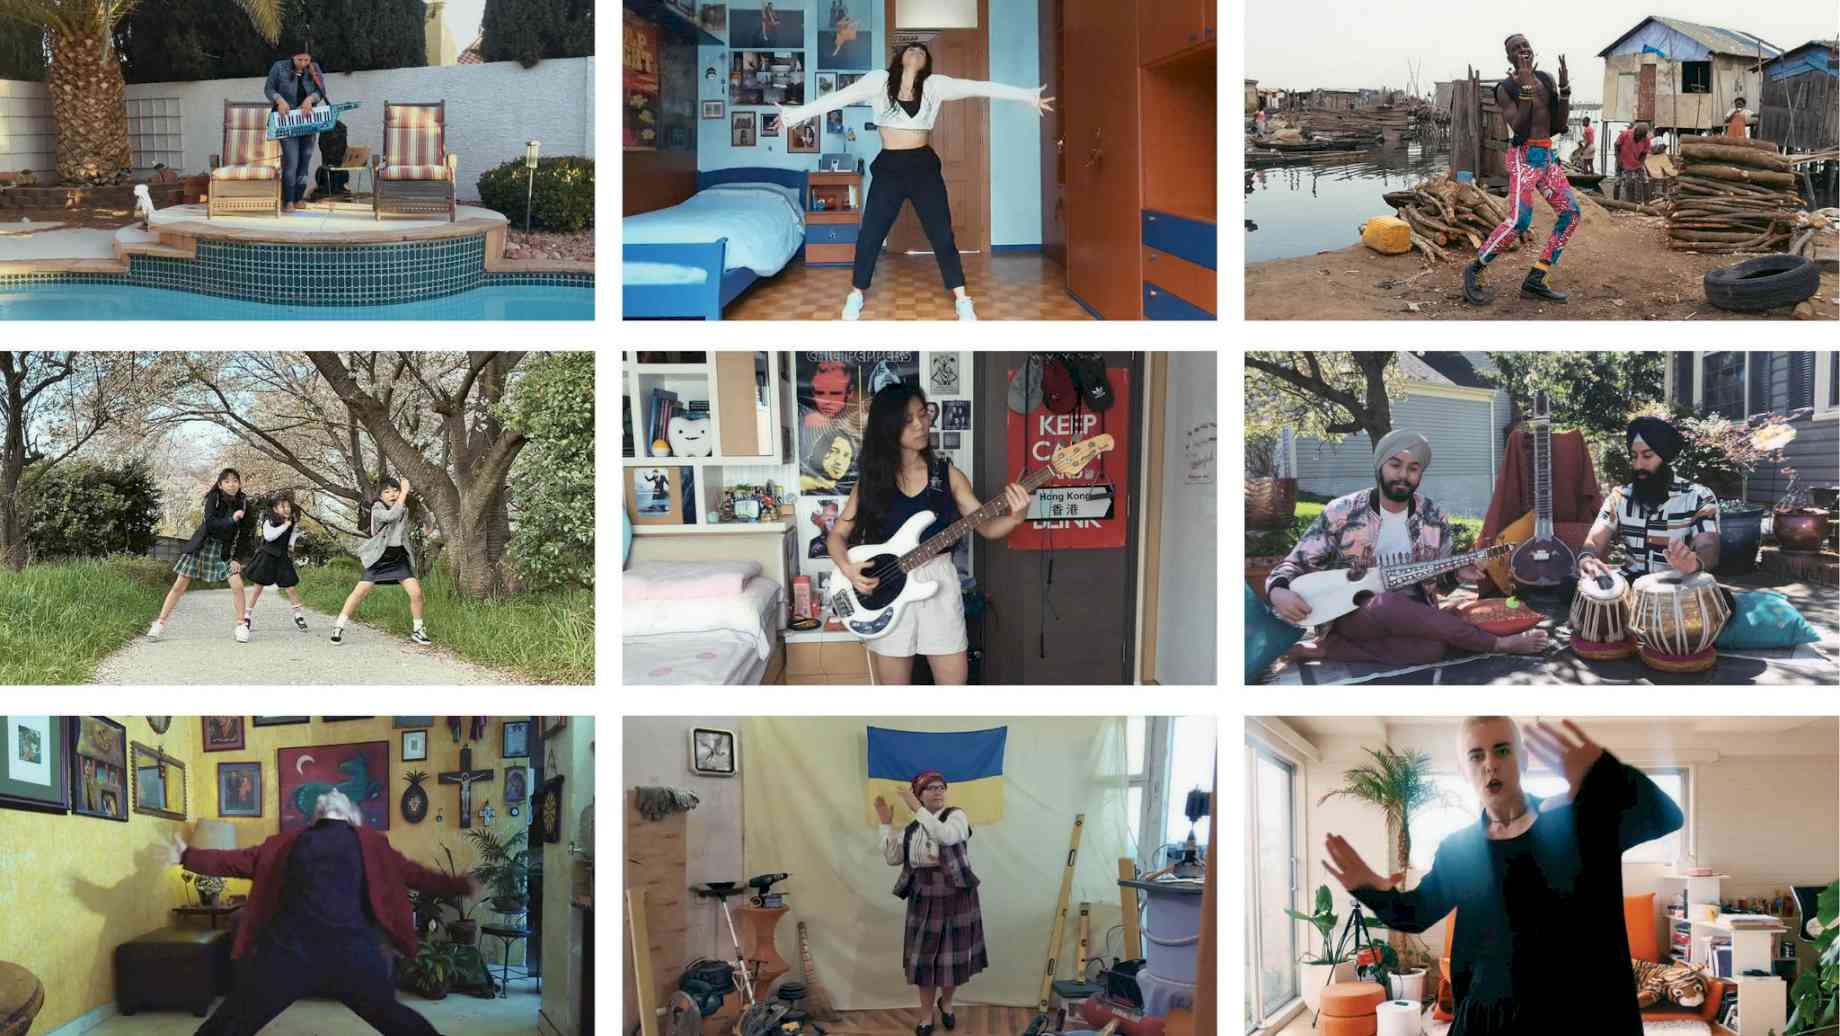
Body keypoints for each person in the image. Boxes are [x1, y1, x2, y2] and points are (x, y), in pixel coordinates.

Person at [1324, 718, 1683, 1035]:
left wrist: (1605, 771)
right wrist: (1367, 887)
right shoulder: (1458, 849)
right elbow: (1414, 914)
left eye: (1502, 751)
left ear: (1523, 760)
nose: (1490, 765)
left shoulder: (1575, 819)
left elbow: (1667, 817)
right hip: (1488, 1018)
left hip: (1579, 1015)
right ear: (1464, 770)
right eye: (1476, 756)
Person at [166, 789, 482, 1035]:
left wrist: (461, 885)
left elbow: (417, 875)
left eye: (337, 796)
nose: (332, 793)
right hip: (319, 958)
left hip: (322, 958)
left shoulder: (356, 844)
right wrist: (189, 856)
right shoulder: (304, 843)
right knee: (236, 1017)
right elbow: (239, 860)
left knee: (395, 1019)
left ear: (338, 814)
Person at [776, 44, 1055, 321]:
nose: (916, 52)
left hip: (923, 167)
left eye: (922, 52)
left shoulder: (935, 86)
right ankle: (857, 293)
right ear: (900, 57)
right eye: (911, 49)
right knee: (871, 234)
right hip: (889, 168)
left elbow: (979, 87)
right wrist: (792, 117)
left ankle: (962, 299)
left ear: (927, 63)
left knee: (942, 235)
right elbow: (837, 98)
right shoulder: (878, 81)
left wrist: (1026, 96)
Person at [1267, 430, 1548, 665]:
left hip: (1414, 612)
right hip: (1351, 613)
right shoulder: (1343, 511)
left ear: (1420, 474)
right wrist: (1278, 590)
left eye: (1413, 468)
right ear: (1380, 466)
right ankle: (1496, 643)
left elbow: (1440, 582)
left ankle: (1328, 650)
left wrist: (1459, 573)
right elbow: (1295, 562)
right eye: (1395, 465)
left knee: (1432, 651)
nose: (1403, 475)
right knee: (1388, 602)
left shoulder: (1433, 516)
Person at [828, 383, 1034, 684]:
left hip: (938, 582)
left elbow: (986, 527)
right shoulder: (870, 483)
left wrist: (1016, 518)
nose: (920, 424)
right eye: (908, 420)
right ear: (889, 427)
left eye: (923, 415)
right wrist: (847, 568)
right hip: (888, 587)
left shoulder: (948, 475)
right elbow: (836, 536)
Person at [1464, 34, 1579, 305]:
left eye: (1525, 45)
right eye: (1516, 48)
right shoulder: (1505, 88)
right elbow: (1519, 126)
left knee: (1571, 214)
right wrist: (1526, 89)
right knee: (1519, 221)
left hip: (1546, 156)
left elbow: (1559, 124)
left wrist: (1564, 92)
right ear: (1509, 58)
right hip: (1523, 157)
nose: (1522, 50)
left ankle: (1536, 278)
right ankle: (1475, 268)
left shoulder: (1547, 79)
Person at [876, 771, 987, 1036]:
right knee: (924, 961)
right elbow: (893, 858)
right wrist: (886, 825)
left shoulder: (956, 816)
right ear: (919, 794)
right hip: (923, 896)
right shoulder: (912, 828)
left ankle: (946, 1003)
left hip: (957, 894)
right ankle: (926, 1016)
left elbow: (945, 837)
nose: (938, 792)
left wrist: (916, 808)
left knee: (953, 960)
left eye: (941, 787)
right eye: (930, 789)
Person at [1577, 416, 1720, 583]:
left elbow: (1709, 547)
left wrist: (1694, 563)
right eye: (1634, 456)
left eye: (1647, 456)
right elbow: (1594, 540)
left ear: (1664, 458)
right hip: (1631, 585)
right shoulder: (1619, 497)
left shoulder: (1698, 497)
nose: (1638, 465)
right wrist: (1586, 558)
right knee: (1573, 587)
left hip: (1678, 588)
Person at [149, 468, 253, 642]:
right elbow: (211, 523)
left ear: (239, 483)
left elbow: (245, 535)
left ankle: (241, 625)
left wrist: (237, 559)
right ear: (220, 485)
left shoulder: (245, 505)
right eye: (227, 481)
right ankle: (159, 624)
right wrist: (231, 519)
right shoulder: (214, 498)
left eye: (235, 480)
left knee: (238, 586)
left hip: (224, 551)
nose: (231, 484)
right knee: (179, 585)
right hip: (202, 546)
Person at [330, 478, 429, 646]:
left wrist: (429, 525)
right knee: (360, 592)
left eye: (395, 490)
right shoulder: (377, 508)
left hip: (399, 557)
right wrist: (404, 492)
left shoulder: (403, 507)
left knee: (416, 593)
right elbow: (392, 516)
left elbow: (421, 510)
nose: (393, 494)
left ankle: (418, 629)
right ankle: (339, 626)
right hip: (380, 557)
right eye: (387, 492)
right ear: (381, 495)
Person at [264, 48, 331, 213]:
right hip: (286, 121)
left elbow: (321, 91)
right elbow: (269, 89)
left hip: (308, 121)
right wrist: (279, 100)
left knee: (305, 160)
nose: (303, 64)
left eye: (306, 60)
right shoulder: (279, 67)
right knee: (291, 161)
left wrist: (311, 98)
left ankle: (299, 197)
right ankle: (288, 200)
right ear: (292, 56)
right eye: (300, 60)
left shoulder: (313, 68)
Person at [243, 494, 310, 633]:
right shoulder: (269, 521)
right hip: (267, 556)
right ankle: (246, 616)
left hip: (282, 557)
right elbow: (269, 536)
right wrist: (285, 526)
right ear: (275, 509)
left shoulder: (291, 522)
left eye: (288, 506)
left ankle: (298, 616)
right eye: (282, 506)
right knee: (258, 588)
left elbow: (292, 536)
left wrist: (291, 547)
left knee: (290, 587)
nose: (286, 509)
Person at [1614, 122, 1652, 202]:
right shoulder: (1625, 134)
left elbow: (1644, 154)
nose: (1639, 139)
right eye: (1638, 136)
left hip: (1635, 163)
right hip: (1621, 161)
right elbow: (1617, 146)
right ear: (1635, 131)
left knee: (1645, 181)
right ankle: (1615, 203)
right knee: (1619, 182)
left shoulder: (1646, 140)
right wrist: (1618, 159)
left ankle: (1646, 204)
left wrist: (1640, 164)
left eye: (1641, 137)